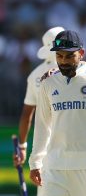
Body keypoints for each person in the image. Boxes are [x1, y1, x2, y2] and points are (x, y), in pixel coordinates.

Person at [28, 30, 86, 196]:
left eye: (69, 56)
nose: (63, 61)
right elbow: (42, 124)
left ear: (81, 54)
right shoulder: (48, 83)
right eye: (59, 56)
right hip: (55, 167)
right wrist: (35, 162)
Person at [13, 27, 65, 166]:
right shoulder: (76, 70)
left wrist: (22, 146)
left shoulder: (34, 75)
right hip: (76, 144)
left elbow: (26, 114)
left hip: (44, 149)